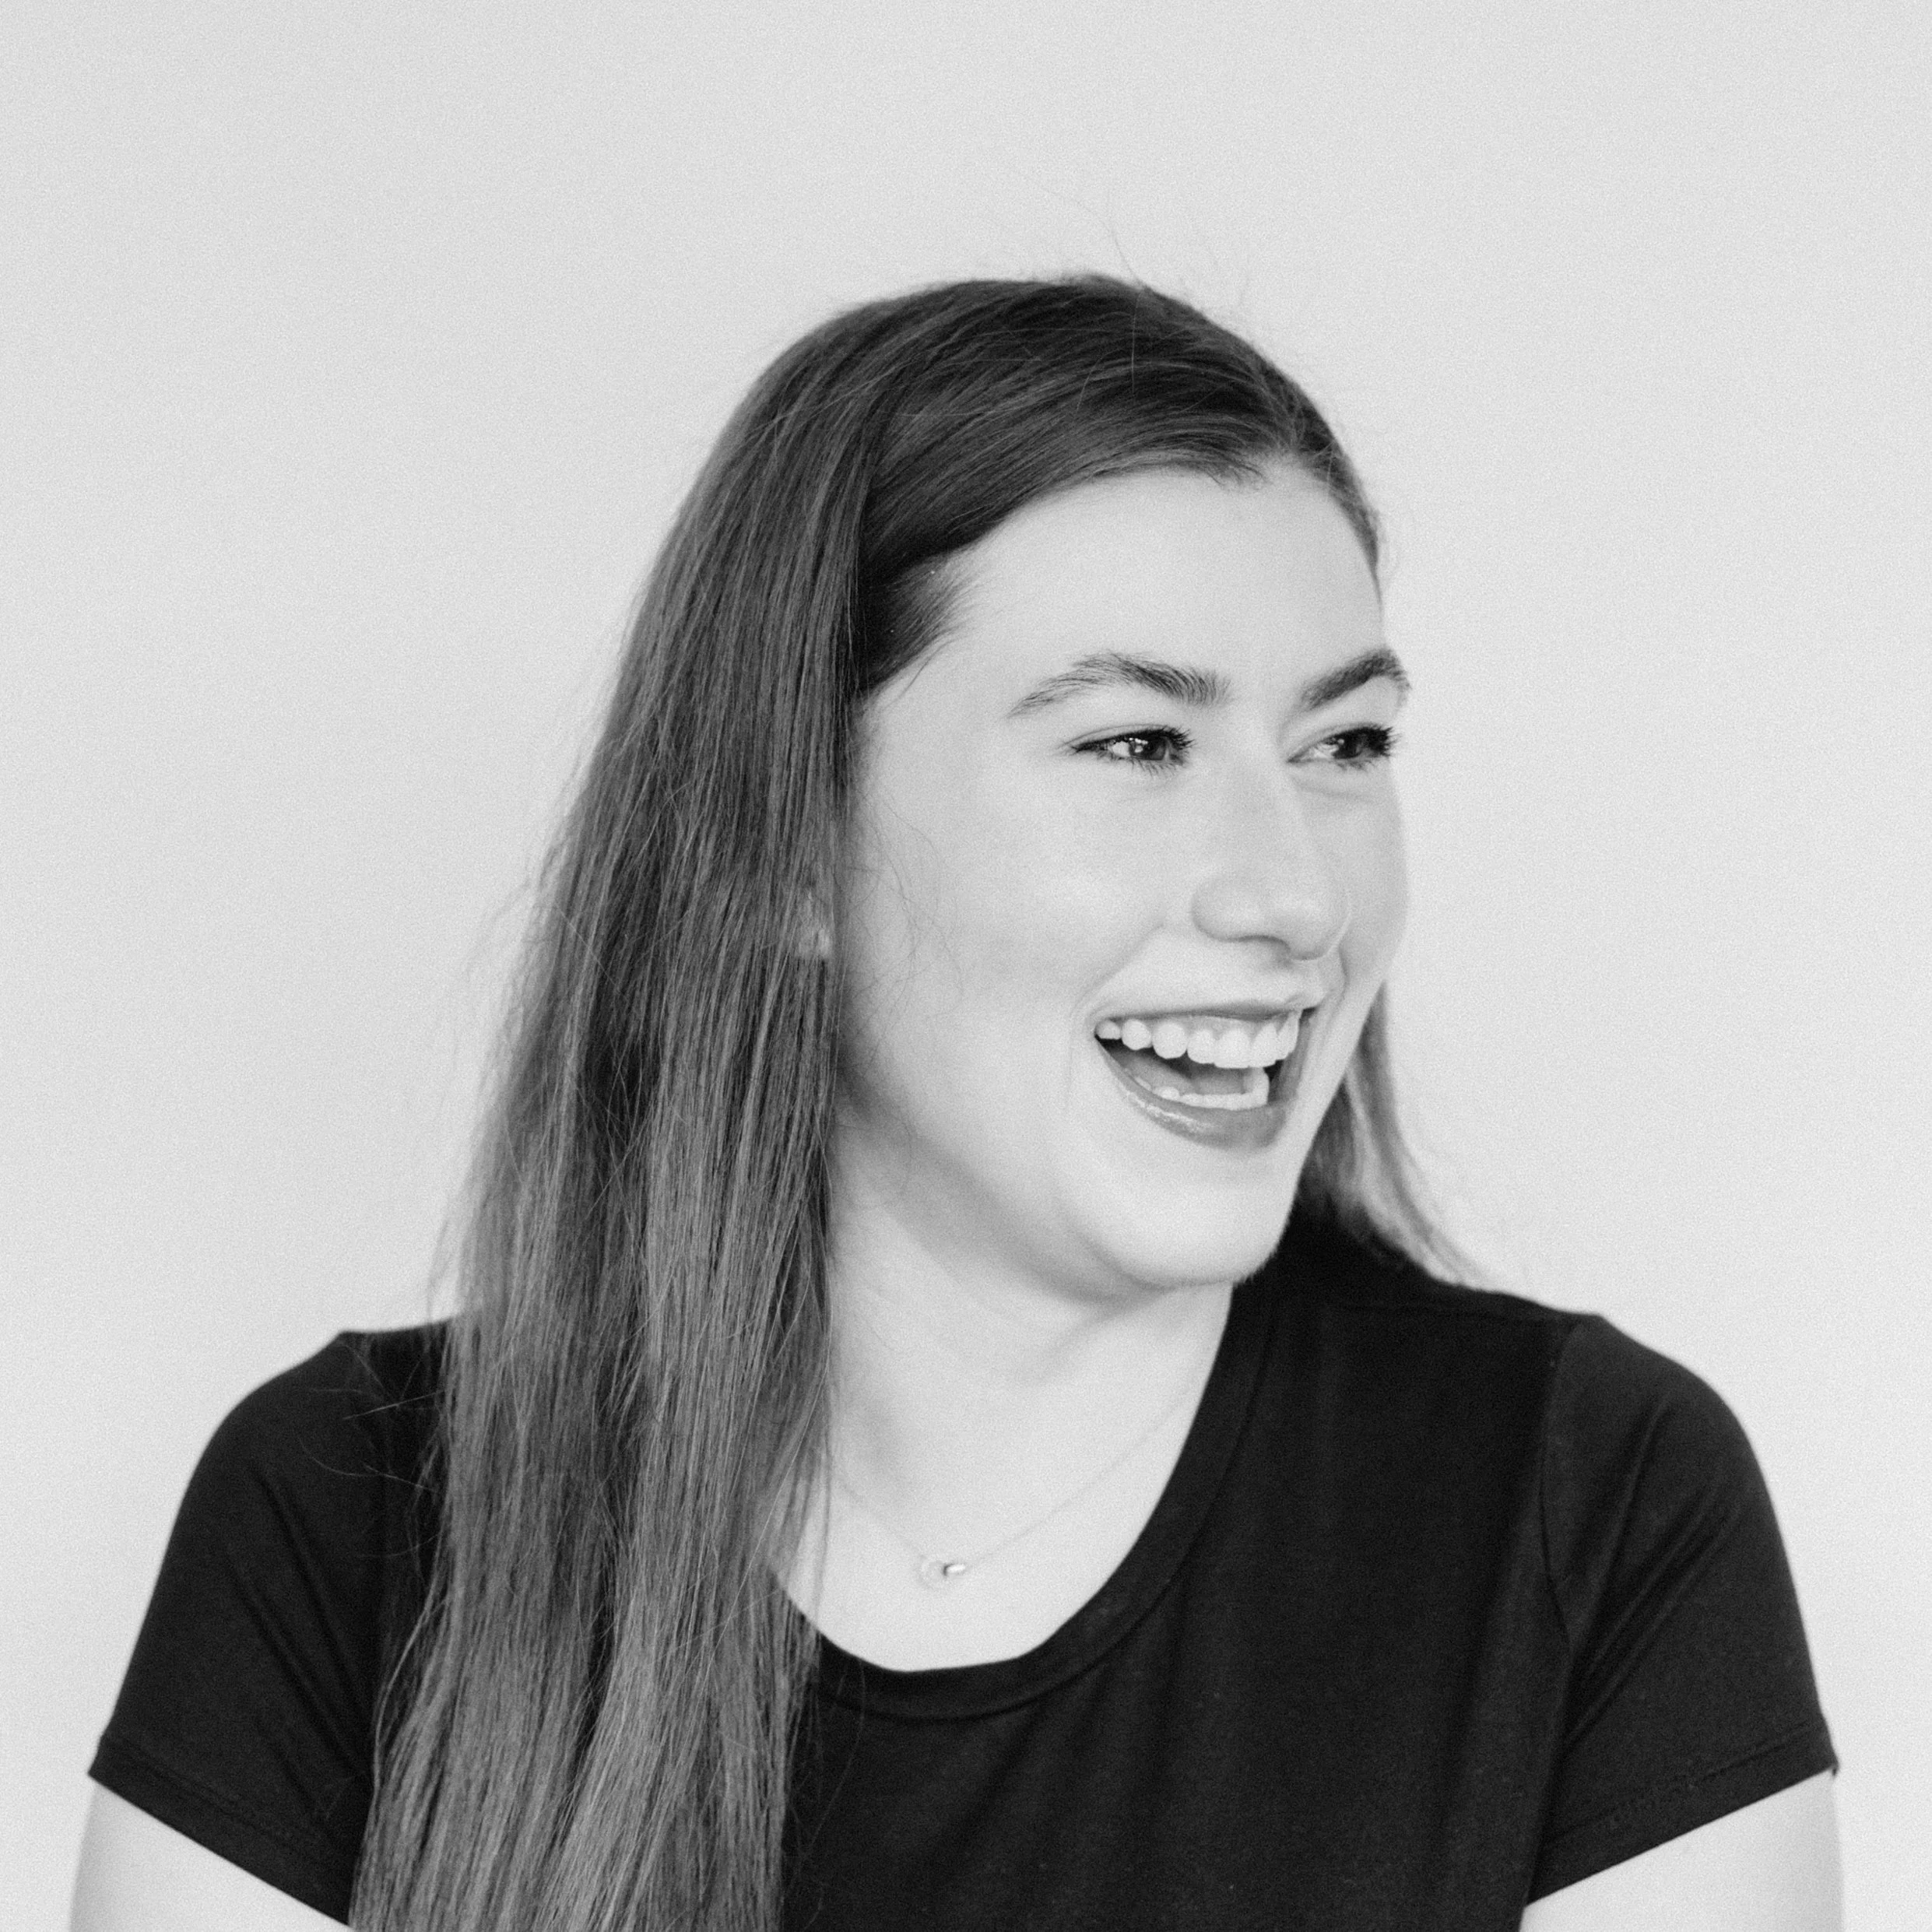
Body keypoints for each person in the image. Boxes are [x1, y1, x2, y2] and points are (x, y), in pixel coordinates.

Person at [72, 277, 1840, 1931]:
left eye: (1343, 746)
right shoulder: (350, 1515)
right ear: (783, 847)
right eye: (1135, 745)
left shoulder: (1584, 1508)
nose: (1293, 895)